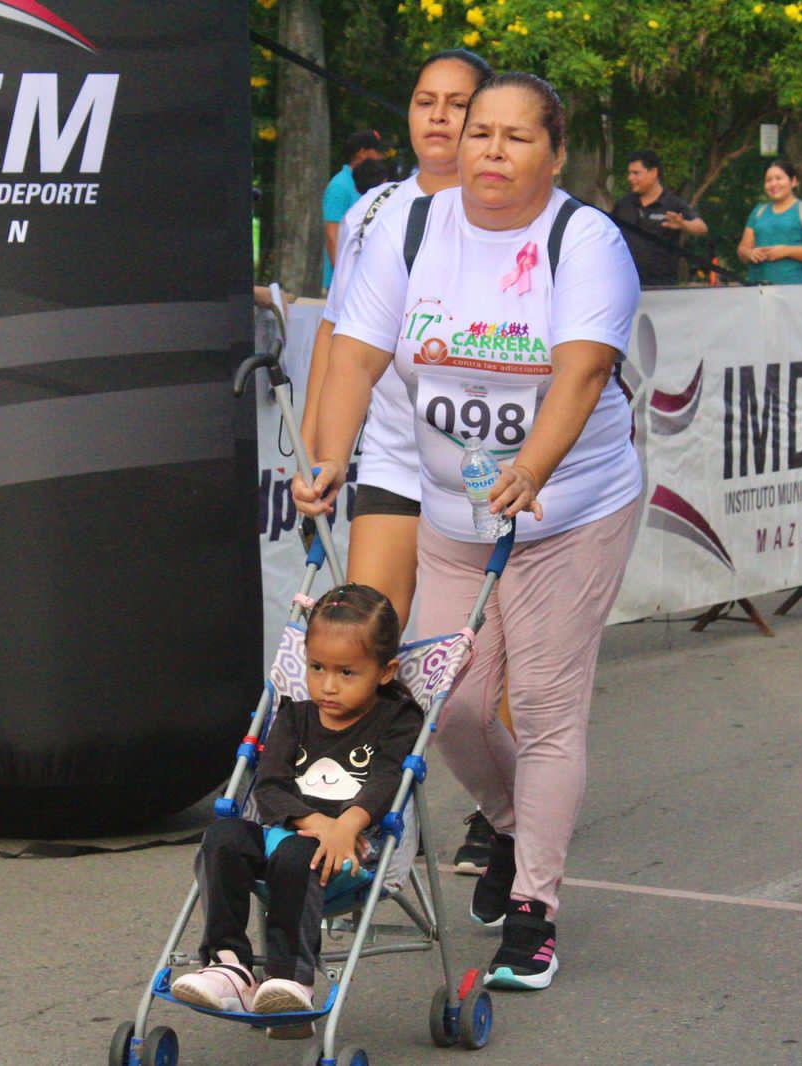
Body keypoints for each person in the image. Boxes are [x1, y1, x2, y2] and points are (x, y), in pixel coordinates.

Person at [296, 72, 642, 991]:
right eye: (480, 132)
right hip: (454, 514)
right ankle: (509, 818)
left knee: (544, 699)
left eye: (517, 137)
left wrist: (533, 467)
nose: (491, 150)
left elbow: (578, 375)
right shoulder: (409, 232)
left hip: (571, 509)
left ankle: (535, 912)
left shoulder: (585, 241)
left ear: (554, 153)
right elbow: (357, 355)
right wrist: (328, 454)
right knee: (443, 698)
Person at [298, 49, 499, 876]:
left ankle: (500, 808)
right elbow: (341, 339)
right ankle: (377, 812)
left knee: (476, 659)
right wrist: (320, 451)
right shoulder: (378, 208)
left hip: (482, 465)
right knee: (368, 640)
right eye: (426, 101)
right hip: (388, 456)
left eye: (459, 104)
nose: (441, 118)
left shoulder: (509, 212)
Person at [170, 585, 423, 1015]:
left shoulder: (396, 720)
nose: (327, 686)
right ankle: (229, 965)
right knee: (223, 836)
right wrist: (315, 821)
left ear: (385, 671)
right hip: (288, 832)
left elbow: (386, 782)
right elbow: (268, 786)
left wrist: (344, 825)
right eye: (316, 667)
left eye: (346, 673)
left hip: (351, 850)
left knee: (296, 854)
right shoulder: (293, 716)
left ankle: (291, 978)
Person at [609, 148, 708, 287]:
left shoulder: (673, 203)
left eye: (636, 173)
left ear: (653, 173)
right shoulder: (623, 204)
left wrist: (683, 225)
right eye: (629, 173)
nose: (630, 178)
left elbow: (701, 228)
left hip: (662, 286)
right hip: (626, 285)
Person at [737, 159, 802, 284]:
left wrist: (786, 251)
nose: (773, 184)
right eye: (768, 180)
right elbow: (742, 249)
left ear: (793, 181)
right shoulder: (758, 212)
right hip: (758, 288)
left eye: (779, 178)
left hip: (797, 288)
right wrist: (750, 253)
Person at [323, 130, 384, 288]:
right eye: (377, 151)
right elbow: (332, 234)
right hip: (345, 283)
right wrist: (342, 277)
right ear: (362, 153)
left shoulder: (371, 183)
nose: (380, 157)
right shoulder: (340, 186)